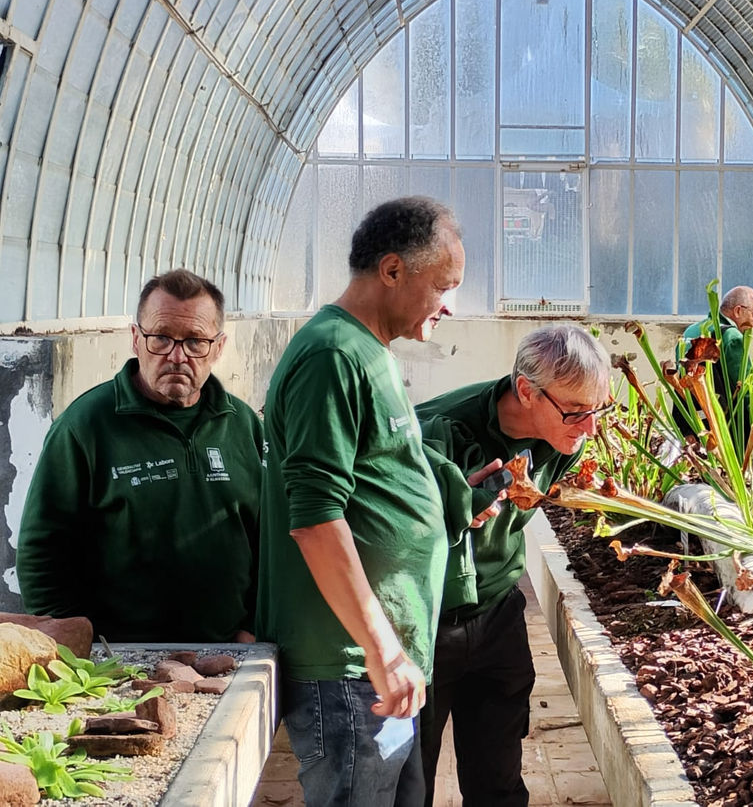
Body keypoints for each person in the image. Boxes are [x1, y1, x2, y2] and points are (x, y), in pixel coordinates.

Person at [256, 196, 467, 807]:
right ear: (393, 270)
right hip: (349, 668)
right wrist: (383, 651)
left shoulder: (370, 350)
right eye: (442, 286)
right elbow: (316, 519)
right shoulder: (332, 355)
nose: (448, 305)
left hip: (377, 664)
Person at [416, 325, 611, 807]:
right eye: (577, 411)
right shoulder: (435, 428)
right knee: (410, 781)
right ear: (526, 391)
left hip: (498, 615)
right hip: (426, 624)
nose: (590, 428)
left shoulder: (567, 436)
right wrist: (444, 508)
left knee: (499, 781)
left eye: (598, 409)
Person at [17, 269, 263, 643]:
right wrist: (73, 643)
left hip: (229, 650)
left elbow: (268, 538)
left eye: (195, 341)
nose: (177, 356)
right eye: (161, 337)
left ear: (218, 347)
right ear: (135, 339)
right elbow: (42, 550)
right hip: (119, 658)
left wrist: (253, 626)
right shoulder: (85, 426)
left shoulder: (242, 424)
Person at [678, 285, 753, 437]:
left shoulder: (690, 331)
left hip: (689, 422)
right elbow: (746, 390)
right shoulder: (732, 337)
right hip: (721, 429)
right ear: (738, 311)